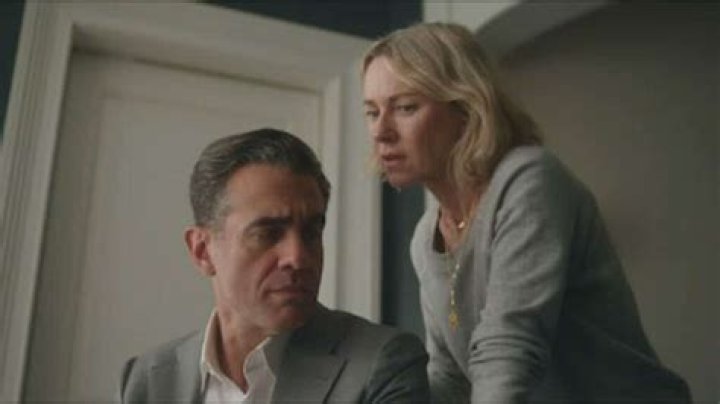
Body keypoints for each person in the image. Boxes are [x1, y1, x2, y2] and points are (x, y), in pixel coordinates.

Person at [362, 22, 691, 403]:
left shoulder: (528, 181)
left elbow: (507, 351)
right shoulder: (425, 238)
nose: (381, 131)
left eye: (405, 107)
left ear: (466, 108)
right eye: (372, 112)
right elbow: (452, 379)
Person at [118, 128, 429, 403]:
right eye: (267, 234)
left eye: (311, 232)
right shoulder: (147, 379)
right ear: (202, 251)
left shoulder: (382, 364)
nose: (298, 257)